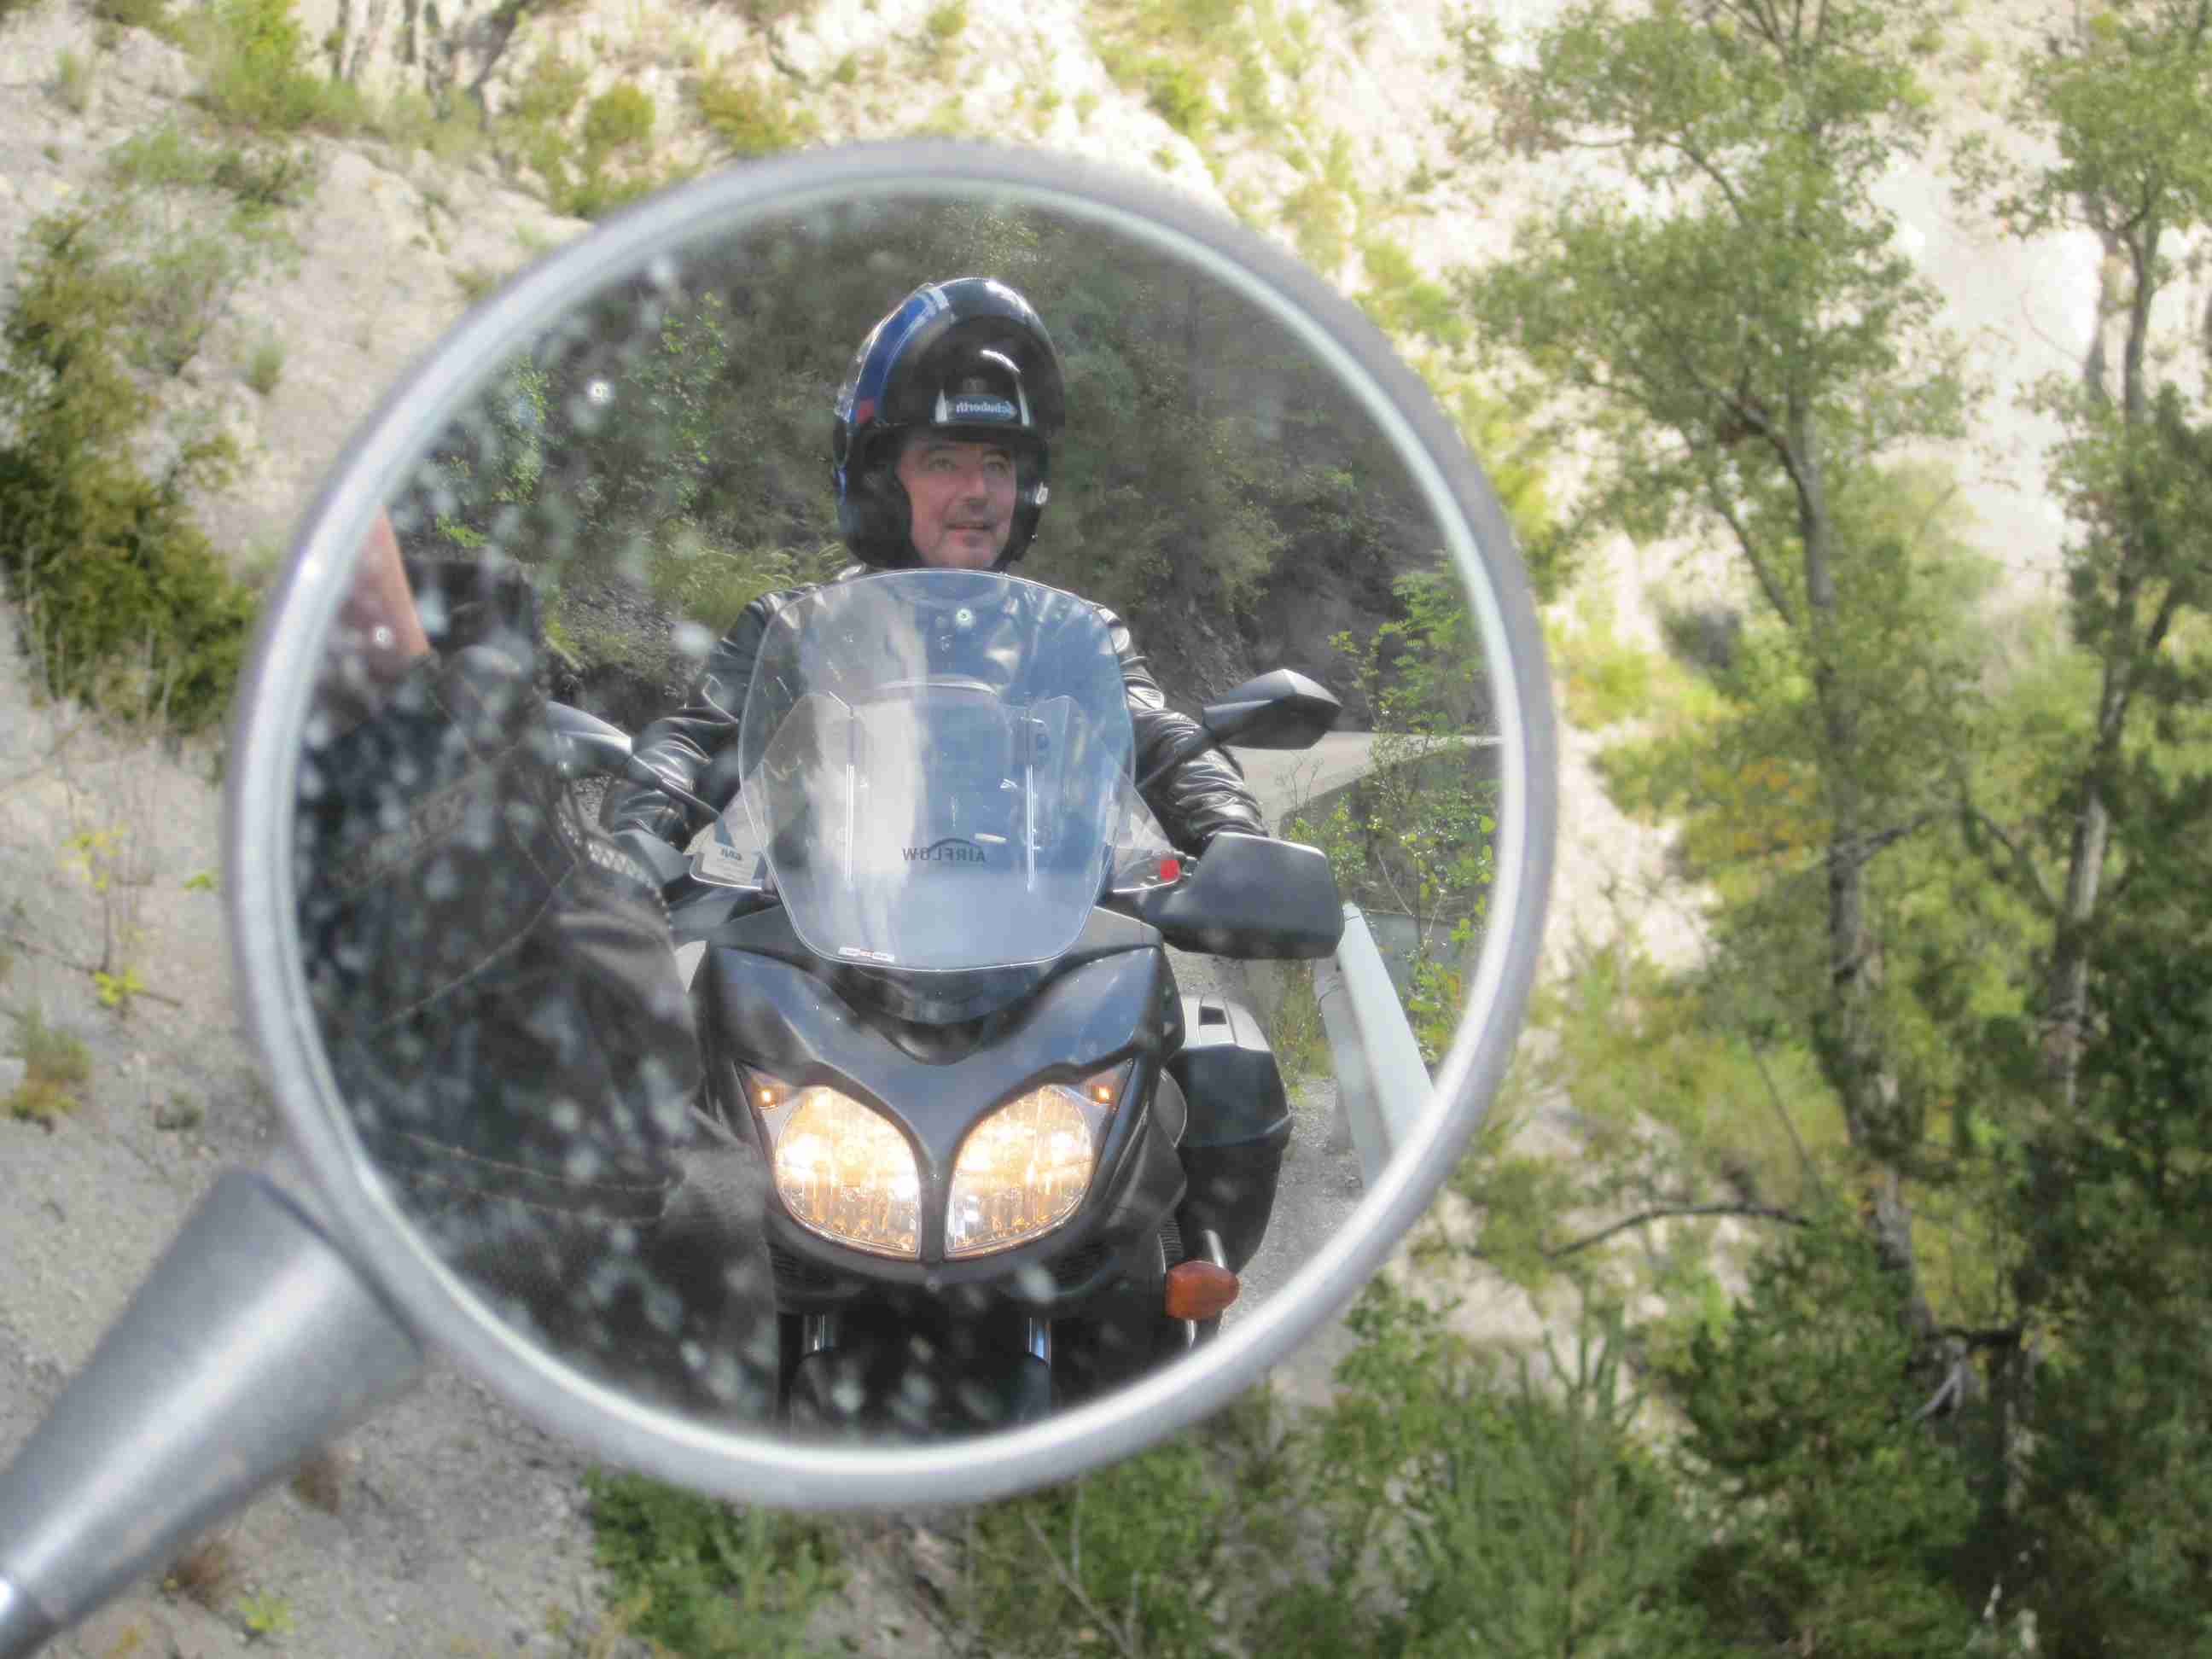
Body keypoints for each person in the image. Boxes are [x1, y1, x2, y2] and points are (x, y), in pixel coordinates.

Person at [600, 276, 1267, 859]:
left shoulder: (1076, 636)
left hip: (1046, 948)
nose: (978, 491)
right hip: (814, 949)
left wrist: (1233, 833)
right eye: (944, 462)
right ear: (882, 484)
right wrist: (633, 840)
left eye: (997, 465)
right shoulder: (792, 629)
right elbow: (693, 742)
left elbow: (1161, 736)